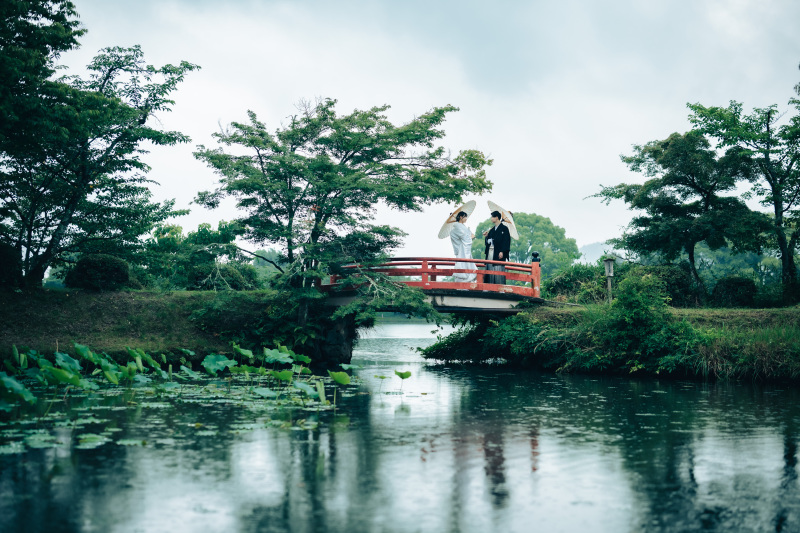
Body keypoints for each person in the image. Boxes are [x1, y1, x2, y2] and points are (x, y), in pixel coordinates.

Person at [482, 210, 511, 284]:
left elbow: (506, 242)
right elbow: (488, 241)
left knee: (498, 269)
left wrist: (502, 251)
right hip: (491, 252)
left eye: (492, 217)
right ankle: (489, 287)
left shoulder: (504, 229)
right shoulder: (492, 230)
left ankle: (499, 288)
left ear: (497, 217)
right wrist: (487, 237)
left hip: (498, 252)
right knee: (490, 268)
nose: (491, 218)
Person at [450, 211, 476, 282]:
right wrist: (471, 237)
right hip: (462, 249)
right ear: (461, 217)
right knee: (463, 264)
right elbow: (465, 237)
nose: (466, 219)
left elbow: (468, 235)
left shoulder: (462, 226)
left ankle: (467, 280)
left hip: (464, 248)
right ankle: (463, 281)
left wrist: (470, 235)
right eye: (465, 217)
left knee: (466, 264)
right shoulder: (457, 226)